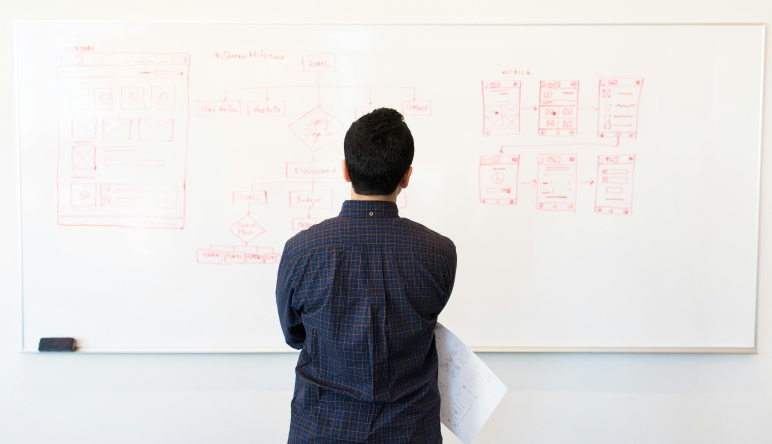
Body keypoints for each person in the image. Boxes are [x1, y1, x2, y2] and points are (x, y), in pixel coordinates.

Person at [276, 108, 457, 443]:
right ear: (406, 176)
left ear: (345, 170)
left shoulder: (301, 251)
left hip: (321, 429)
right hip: (409, 431)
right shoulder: (440, 253)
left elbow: (294, 335)